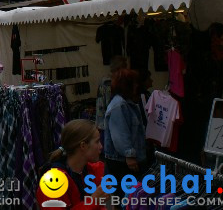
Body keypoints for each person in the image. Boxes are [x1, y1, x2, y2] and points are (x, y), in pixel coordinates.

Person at [36, 119, 107, 209]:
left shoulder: (91, 170)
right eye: (97, 142)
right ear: (83, 146)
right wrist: (93, 201)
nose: (101, 146)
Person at [104, 68, 147, 196]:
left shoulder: (126, 103)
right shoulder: (120, 105)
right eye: (133, 82)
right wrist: (129, 155)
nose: (137, 85)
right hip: (122, 162)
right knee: (126, 199)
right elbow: (120, 135)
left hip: (125, 161)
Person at [95, 55, 127, 139]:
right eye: (125, 66)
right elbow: (109, 106)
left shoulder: (108, 81)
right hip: (108, 125)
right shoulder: (108, 83)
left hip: (105, 123)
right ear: (120, 68)